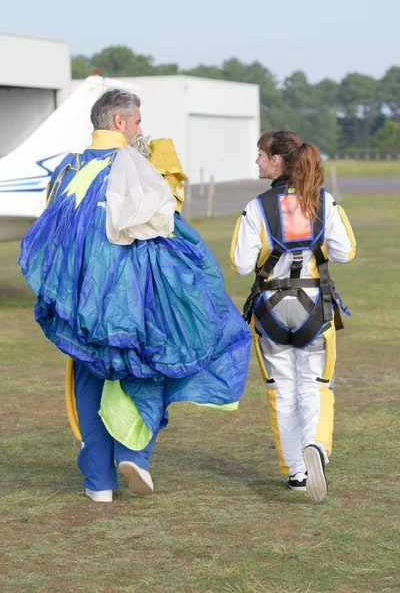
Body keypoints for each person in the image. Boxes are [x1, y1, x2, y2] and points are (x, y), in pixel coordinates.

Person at [20, 88, 252, 503]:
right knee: (147, 371)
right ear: (119, 123)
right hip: (132, 300)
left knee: (91, 378)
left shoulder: (67, 169)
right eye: (138, 121)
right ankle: (134, 454)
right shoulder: (136, 164)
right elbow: (165, 220)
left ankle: (98, 484)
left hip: (79, 301)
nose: (142, 129)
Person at [230, 130, 356, 502]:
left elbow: (239, 265)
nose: (256, 161)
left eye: (260, 155)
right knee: (315, 385)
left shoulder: (258, 207)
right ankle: (315, 445)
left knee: (281, 392)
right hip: (314, 306)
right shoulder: (322, 200)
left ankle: (296, 473)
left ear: (276, 161)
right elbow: (345, 251)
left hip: (269, 311)